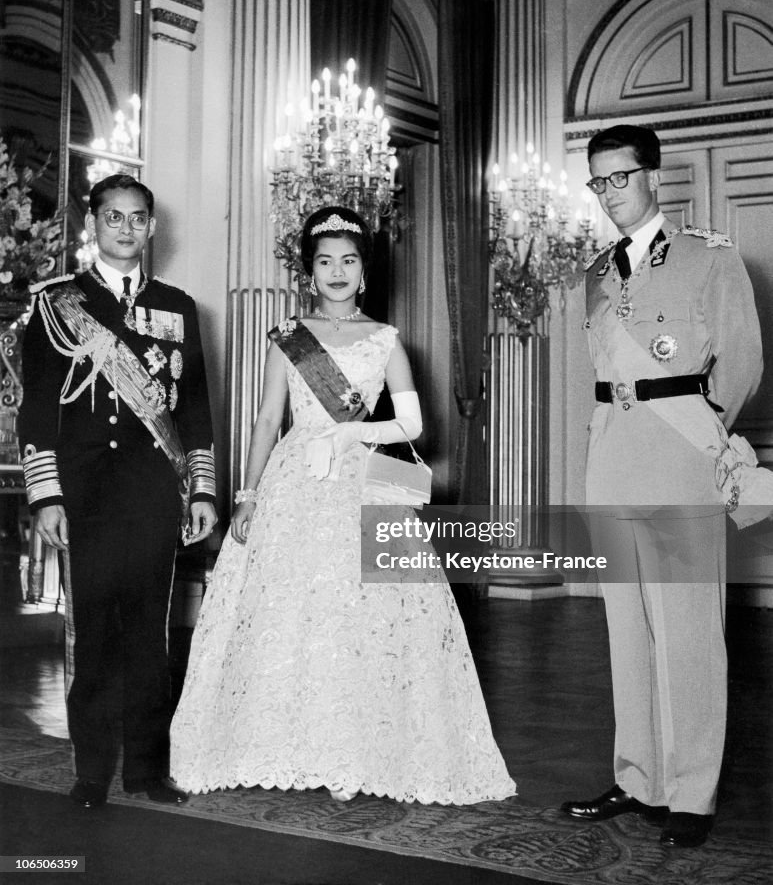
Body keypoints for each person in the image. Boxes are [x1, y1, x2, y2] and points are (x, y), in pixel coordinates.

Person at [170, 205, 515, 805]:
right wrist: (247, 495)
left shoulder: (384, 340)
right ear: (309, 274)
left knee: (372, 613)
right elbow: (268, 420)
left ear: (363, 274)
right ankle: (283, 741)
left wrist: (357, 433)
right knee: (289, 608)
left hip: (369, 481)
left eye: (348, 261)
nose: (336, 271)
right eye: (324, 261)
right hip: (293, 479)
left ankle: (359, 747)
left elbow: (411, 423)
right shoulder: (288, 338)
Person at [561, 125, 762, 847]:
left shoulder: (709, 257)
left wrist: (701, 436)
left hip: (680, 460)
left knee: (688, 634)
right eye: (598, 181)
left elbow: (739, 365)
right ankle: (639, 776)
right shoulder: (592, 274)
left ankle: (690, 794)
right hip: (612, 462)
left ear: (652, 177)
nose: (610, 193)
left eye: (621, 177)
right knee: (628, 633)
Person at [18, 173, 218, 809]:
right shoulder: (56, 304)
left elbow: (195, 411)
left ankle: (147, 772)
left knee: (149, 638)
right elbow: (37, 409)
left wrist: (203, 490)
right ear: (92, 225)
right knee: (92, 636)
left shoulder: (178, 306)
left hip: (153, 490)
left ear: (152, 227)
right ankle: (92, 772)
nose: (126, 229)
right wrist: (46, 495)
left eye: (138, 219)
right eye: (114, 218)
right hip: (85, 494)